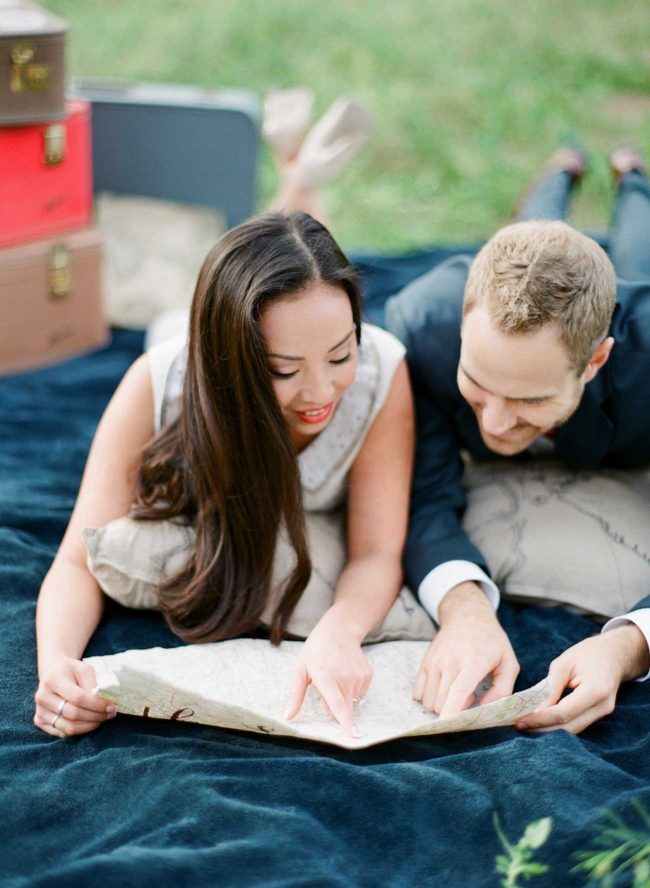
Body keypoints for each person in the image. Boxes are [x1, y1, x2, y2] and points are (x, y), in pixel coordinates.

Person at [33, 212, 415, 739]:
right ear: (235, 361)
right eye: (284, 369)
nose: (322, 391)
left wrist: (339, 632)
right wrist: (57, 664)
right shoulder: (155, 383)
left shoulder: (381, 372)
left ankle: (295, 187)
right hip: (186, 347)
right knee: (171, 323)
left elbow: (377, 550)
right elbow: (77, 559)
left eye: (341, 354)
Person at [385, 146, 650, 735]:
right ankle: (560, 172)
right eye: (477, 386)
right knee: (533, 240)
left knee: (640, 248)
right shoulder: (421, 328)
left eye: (530, 399)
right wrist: (464, 609)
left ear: (596, 360)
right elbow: (422, 491)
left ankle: (632, 179)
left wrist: (629, 644)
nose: (497, 424)